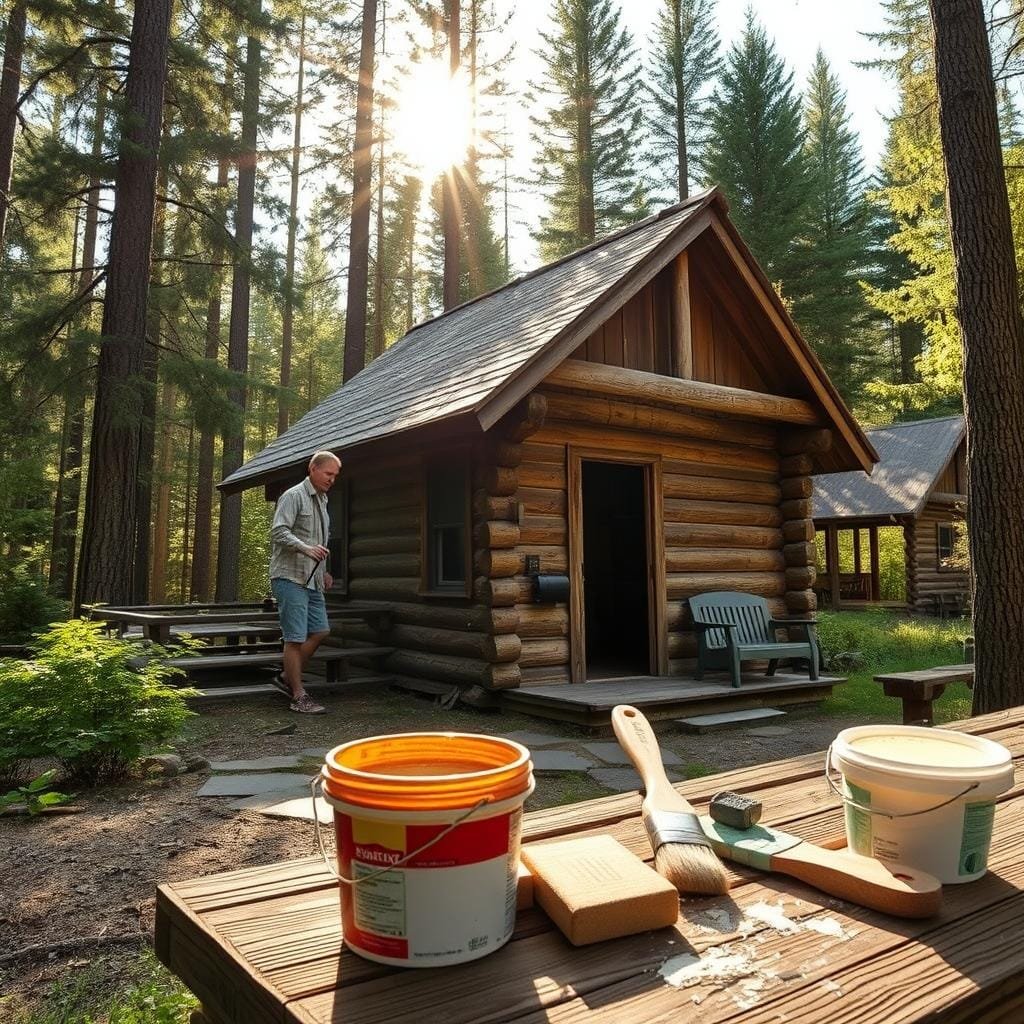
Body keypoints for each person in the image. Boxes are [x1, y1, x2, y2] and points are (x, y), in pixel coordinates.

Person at [269, 450, 341, 714]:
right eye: (328, 473)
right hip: (289, 576)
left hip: (313, 580)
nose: (332, 479)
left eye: (335, 475)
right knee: (295, 637)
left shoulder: (322, 501)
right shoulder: (293, 496)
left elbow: (321, 542)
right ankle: (298, 696)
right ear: (313, 469)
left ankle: (287, 677)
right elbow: (279, 531)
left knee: (321, 630)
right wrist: (306, 549)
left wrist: (324, 570)